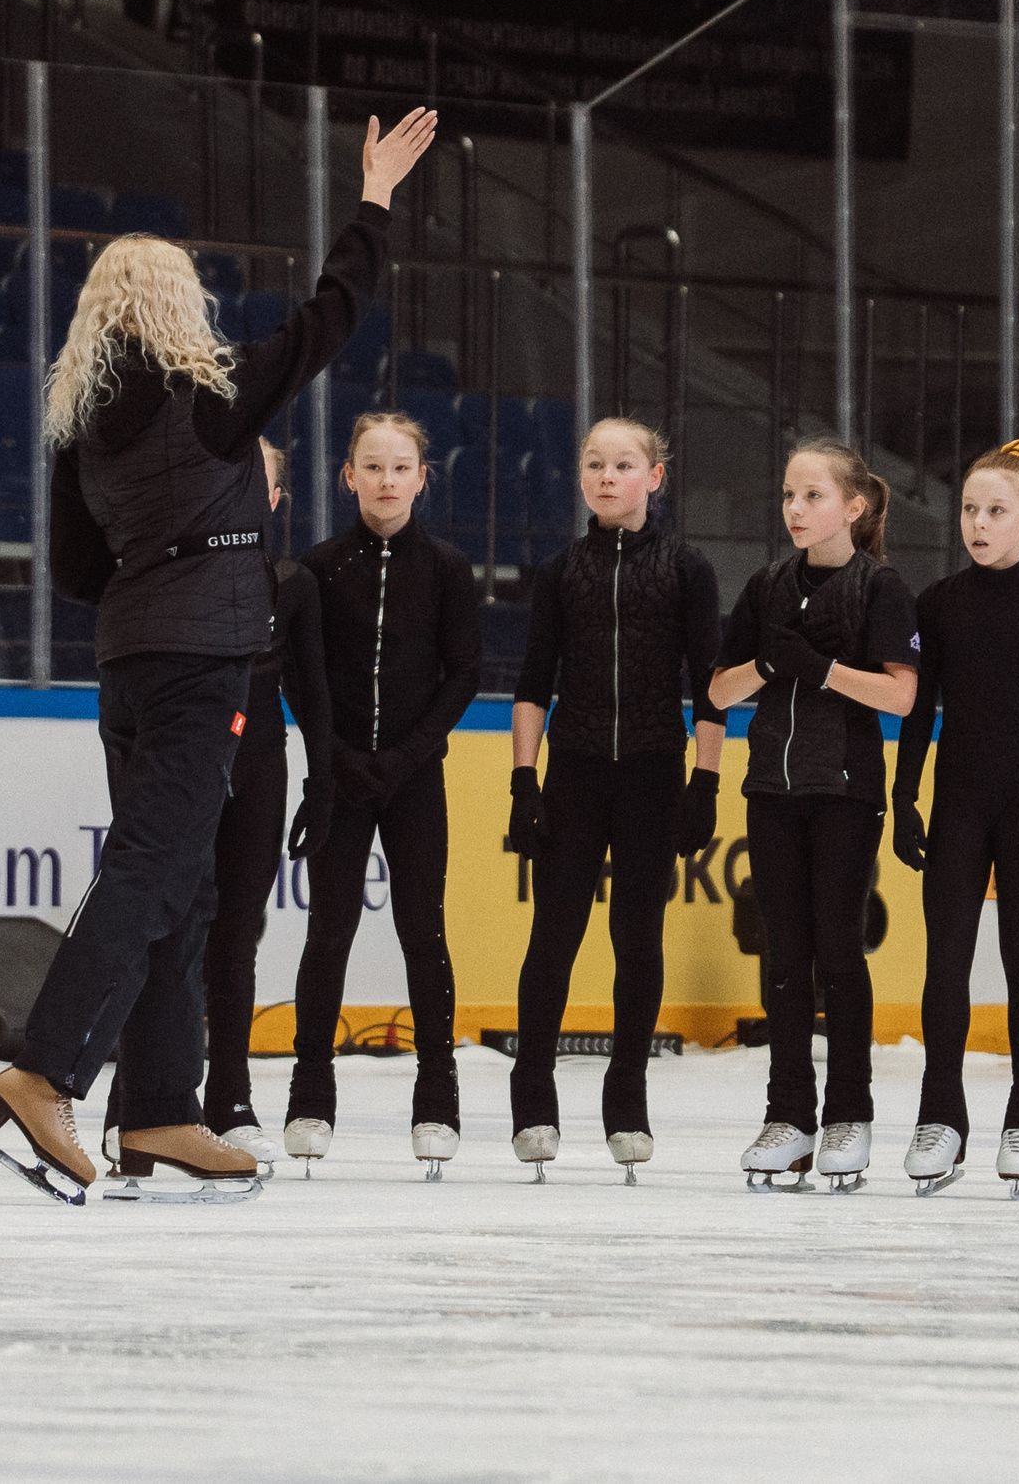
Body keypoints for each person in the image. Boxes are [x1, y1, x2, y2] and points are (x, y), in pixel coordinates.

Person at [0, 106, 434, 1203]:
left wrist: (164, 544)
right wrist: (373, 200)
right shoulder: (204, 402)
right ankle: (42, 1073)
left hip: (128, 661)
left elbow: (80, 572)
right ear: (178, 308)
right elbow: (328, 320)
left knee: (191, 887)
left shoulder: (79, 427)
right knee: (157, 869)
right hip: (199, 662)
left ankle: (161, 1110)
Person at [101, 439, 337, 1174]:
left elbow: (313, 692)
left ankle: (230, 1095)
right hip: (179, 766)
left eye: (254, 481)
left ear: (272, 498)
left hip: (259, 766)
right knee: (164, 925)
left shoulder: (291, 583)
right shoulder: (164, 580)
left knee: (236, 933)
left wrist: (321, 779)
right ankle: (135, 1099)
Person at [505, 417, 726, 1180]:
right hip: (573, 769)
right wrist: (522, 779)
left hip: (655, 771)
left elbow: (710, 687)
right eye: (594, 463)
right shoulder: (562, 570)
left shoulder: (688, 569)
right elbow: (535, 681)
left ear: (654, 477)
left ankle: (625, 1092)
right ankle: (532, 1091)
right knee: (555, 934)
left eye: (623, 464)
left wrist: (707, 779)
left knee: (638, 937)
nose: (606, 475)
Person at [707, 437, 919, 1192]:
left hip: (844, 790)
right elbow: (718, 694)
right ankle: (789, 1113)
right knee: (784, 956)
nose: (796, 508)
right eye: (789, 495)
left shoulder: (880, 586)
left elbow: (902, 695)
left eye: (813, 496)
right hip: (772, 789)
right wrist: (771, 662)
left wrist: (825, 668)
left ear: (853, 508)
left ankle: (849, 1113)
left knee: (838, 950)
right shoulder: (766, 586)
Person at [282, 411, 481, 1177]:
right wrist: (331, 757)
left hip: (412, 778)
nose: (387, 480)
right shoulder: (318, 567)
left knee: (421, 931)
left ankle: (438, 1094)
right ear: (349, 476)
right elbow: (301, 673)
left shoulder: (447, 569)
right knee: (327, 932)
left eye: (402, 467)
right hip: (338, 776)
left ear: (422, 477)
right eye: (373, 466)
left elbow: (462, 673)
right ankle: (309, 1092)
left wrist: (402, 758)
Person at [891, 438, 1019, 1196]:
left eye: (996, 510)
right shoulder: (938, 603)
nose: (978, 522)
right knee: (945, 963)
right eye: (970, 509)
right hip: (960, 801)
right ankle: (940, 1118)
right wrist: (906, 793)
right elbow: (918, 712)